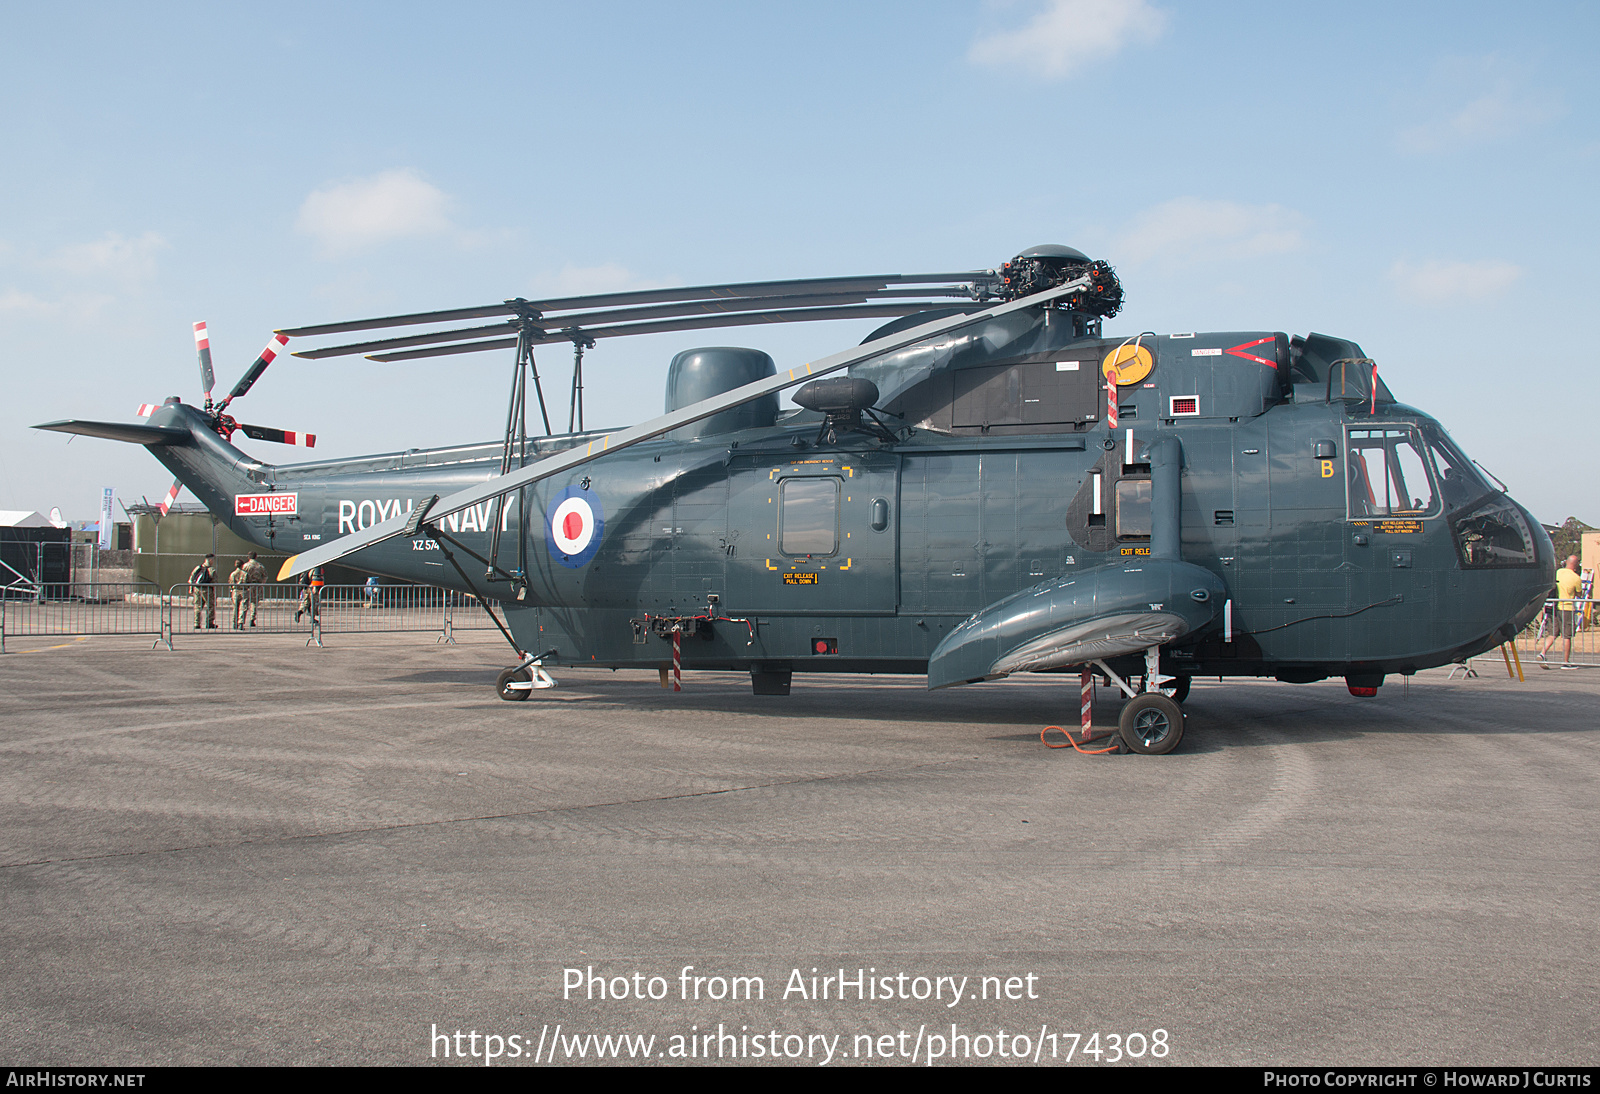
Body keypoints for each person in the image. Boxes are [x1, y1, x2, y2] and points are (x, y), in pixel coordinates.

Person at [1539, 555, 1583, 669]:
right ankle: (1565, 661)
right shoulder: (1576, 578)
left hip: (1554, 607)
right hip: (1567, 607)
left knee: (1553, 633)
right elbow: (1579, 594)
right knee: (1567, 636)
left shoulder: (1558, 572)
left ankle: (1542, 653)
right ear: (1576, 565)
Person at [189, 553, 217, 629]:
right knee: (210, 606)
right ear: (210, 560)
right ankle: (209, 622)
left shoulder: (198, 568)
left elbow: (191, 579)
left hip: (197, 589)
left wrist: (191, 589)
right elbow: (214, 581)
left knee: (197, 606)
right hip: (207, 589)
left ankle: (196, 623)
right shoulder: (211, 570)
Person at [241, 551, 268, 626]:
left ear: (248, 557)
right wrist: (261, 584)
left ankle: (241, 620)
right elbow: (265, 576)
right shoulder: (259, 566)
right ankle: (252, 619)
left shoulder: (245, 566)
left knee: (245, 603)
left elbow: (242, 575)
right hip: (257, 586)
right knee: (254, 603)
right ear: (256, 557)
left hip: (247, 586)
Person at [228, 558, 249, 629]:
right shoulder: (245, 574)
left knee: (235, 607)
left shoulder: (233, 574)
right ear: (242, 565)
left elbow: (230, 583)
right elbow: (249, 582)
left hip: (235, 591)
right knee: (243, 607)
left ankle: (234, 623)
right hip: (244, 591)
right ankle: (241, 623)